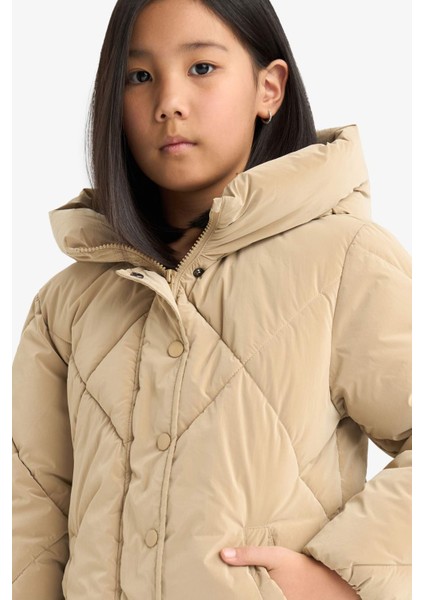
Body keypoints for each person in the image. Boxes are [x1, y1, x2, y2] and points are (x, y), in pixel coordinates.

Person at [12, 0, 411, 598]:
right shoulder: (67, 303)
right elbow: (36, 507)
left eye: (201, 68)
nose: (168, 101)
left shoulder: (344, 262)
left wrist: (340, 576)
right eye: (139, 76)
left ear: (268, 88)